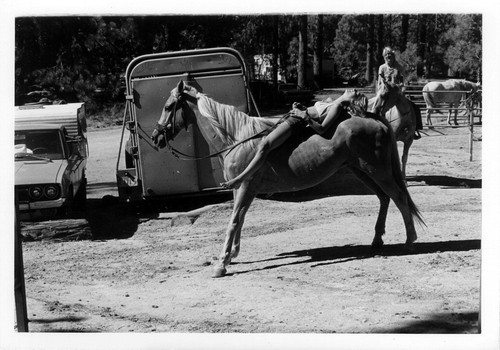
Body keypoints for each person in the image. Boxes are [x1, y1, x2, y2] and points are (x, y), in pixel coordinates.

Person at [221, 89, 368, 189]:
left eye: (357, 93)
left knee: (264, 145)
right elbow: (315, 112)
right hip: (295, 118)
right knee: (264, 143)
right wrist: (302, 108)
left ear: (353, 101)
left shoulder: (337, 106)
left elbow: (322, 128)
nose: (354, 90)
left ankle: (240, 178)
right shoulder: (333, 102)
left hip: (296, 122)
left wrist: (302, 115)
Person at [377, 46, 422, 139]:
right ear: (384, 56)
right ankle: (376, 128)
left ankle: (414, 129)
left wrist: (403, 88)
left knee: (415, 108)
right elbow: (379, 82)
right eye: (386, 55)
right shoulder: (382, 68)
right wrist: (380, 91)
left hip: (398, 92)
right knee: (377, 109)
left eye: (390, 54)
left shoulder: (399, 67)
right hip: (385, 92)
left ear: (393, 56)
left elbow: (404, 80)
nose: (388, 56)